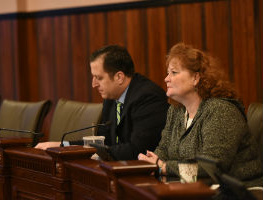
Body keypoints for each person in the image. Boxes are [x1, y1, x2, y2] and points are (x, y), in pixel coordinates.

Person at [138, 43, 263, 188]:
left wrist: (163, 166)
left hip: (238, 191)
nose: (166, 79)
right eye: (168, 73)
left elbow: (211, 167)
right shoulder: (176, 110)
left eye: (174, 72)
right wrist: (152, 161)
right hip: (194, 187)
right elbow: (164, 148)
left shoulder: (221, 111)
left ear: (196, 78)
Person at [36, 45, 170, 160]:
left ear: (119, 77)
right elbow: (104, 141)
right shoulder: (111, 98)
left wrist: (96, 152)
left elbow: (138, 150)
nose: (94, 84)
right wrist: (63, 145)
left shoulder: (147, 97)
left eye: (99, 78)